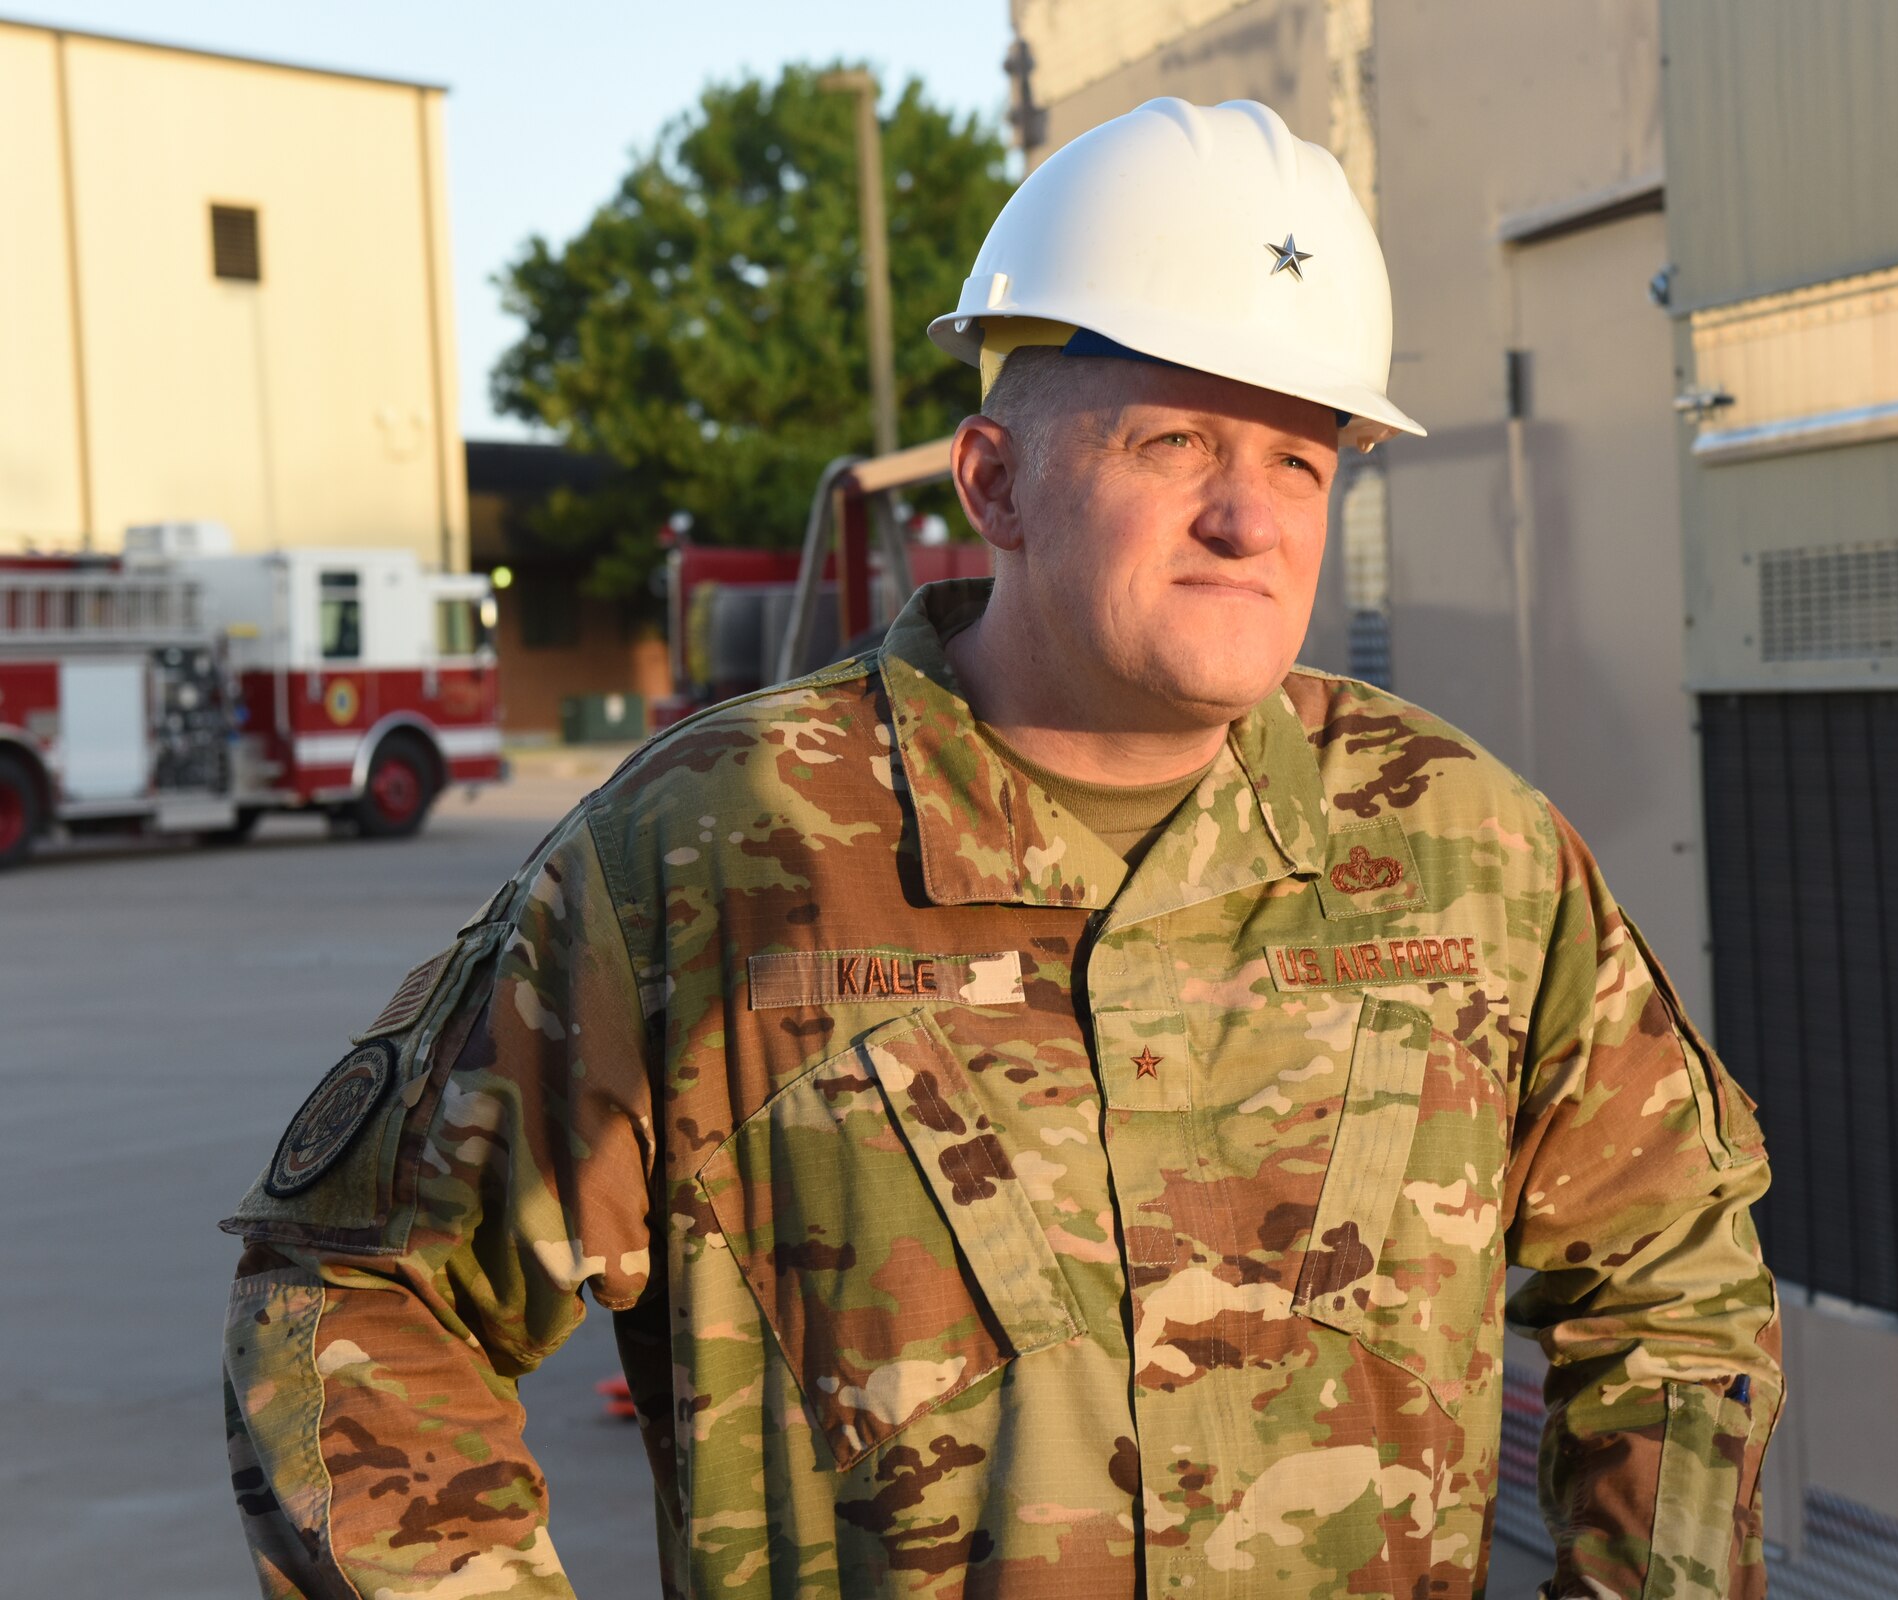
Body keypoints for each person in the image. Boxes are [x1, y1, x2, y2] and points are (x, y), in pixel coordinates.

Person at [223, 98, 1781, 1599]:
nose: (1251, 518)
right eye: (1176, 441)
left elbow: (1673, 1284)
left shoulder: (1467, 851)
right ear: (995, 482)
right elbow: (357, 1290)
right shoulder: (715, 851)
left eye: (1301, 459)